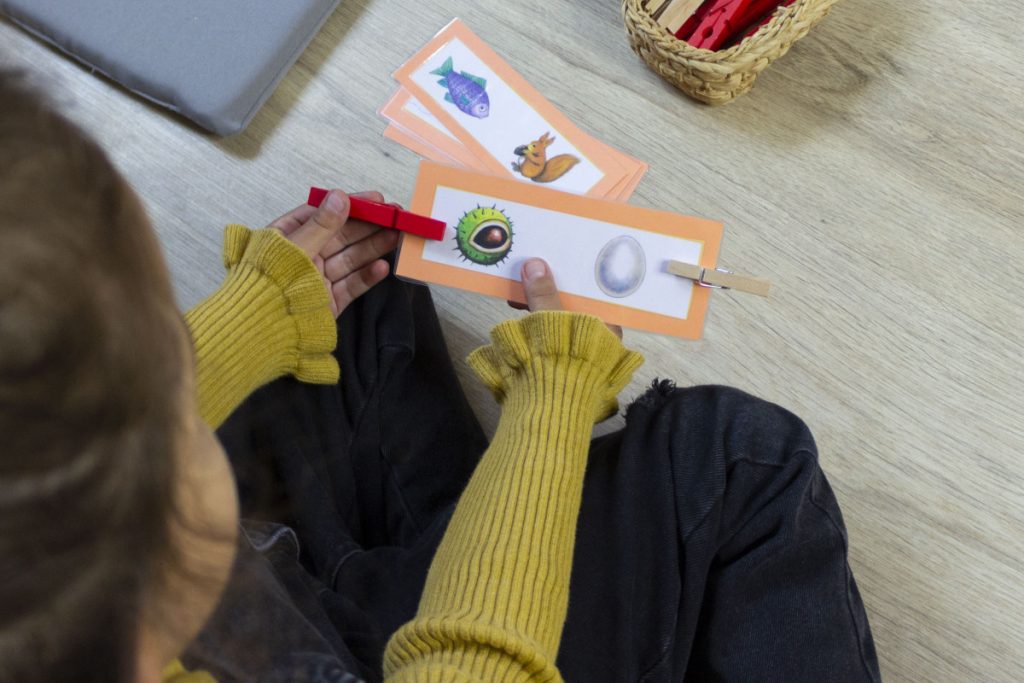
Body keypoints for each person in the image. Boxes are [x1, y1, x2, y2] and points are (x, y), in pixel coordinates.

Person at [0, 74, 881, 683]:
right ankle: (459, 562)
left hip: (270, 595)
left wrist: (254, 312)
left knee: (351, 300)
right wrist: (554, 392)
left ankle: (437, 554)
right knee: (743, 457)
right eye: (172, 406)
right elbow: (476, 662)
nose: (183, 378)